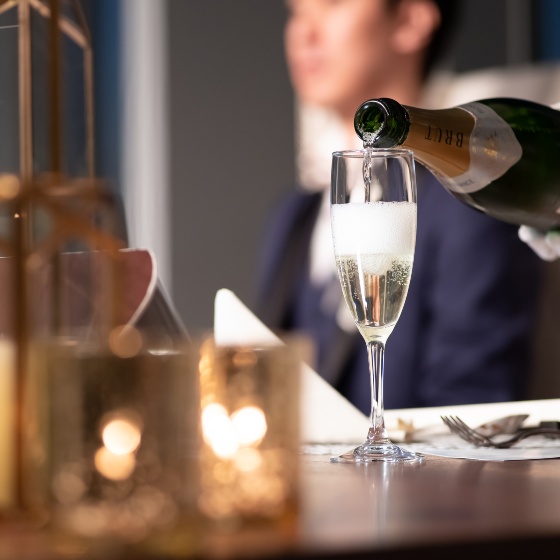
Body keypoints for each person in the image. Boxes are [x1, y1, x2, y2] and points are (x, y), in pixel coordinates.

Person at [256, 0, 543, 413]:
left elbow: (472, 404)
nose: (304, 33)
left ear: (410, 20)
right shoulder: (291, 217)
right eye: (296, 13)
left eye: (331, 5)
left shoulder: (468, 206)